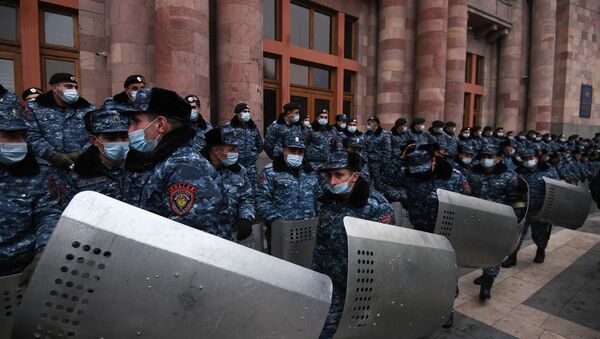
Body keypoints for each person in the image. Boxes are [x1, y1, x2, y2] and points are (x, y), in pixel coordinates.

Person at [123, 87, 231, 238]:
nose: (130, 130)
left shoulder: (185, 169)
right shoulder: (162, 161)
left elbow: (187, 242)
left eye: (135, 122)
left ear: (160, 125)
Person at [312, 151, 394, 339]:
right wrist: (317, 277)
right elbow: (321, 244)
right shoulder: (328, 201)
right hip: (331, 285)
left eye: (338, 175)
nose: (332, 182)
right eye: (329, 175)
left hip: (361, 290)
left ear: (355, 175)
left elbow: (387, 256)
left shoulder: (377, 206)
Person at [0, 87, 62, 279]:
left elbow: (48, 214)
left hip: (24, 273)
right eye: (10, 136)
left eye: (22, 135)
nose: (20, 143)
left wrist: (44, 252)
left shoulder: (39, 171)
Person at [467, 145, 519, 300]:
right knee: (479, 250)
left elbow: (516, 200)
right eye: (483, 156)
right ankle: (485, 274)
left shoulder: (509, 176)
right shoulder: (473, 174)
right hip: (476, 218)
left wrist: (513, 221)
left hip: (498, 220)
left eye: (490, 156)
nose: (486, 159)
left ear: (498, 159)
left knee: (492, 250)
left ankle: (487, 284)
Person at [255, 134, 321, 252]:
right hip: (281, 231)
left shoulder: (310, 172)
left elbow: (319, 197)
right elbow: (261, 198)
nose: (296, 154)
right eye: (292, 150)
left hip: (307, 230)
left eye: (300, 151)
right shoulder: (271, 171)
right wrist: (276, 219)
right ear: (284, 150)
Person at [24, 73, 96, 170]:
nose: (73, 91)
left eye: (75, 87)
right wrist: (54, 156)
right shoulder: (35, 107)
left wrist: (81, 154)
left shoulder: (87, 108)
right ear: (54, 88)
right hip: (46, 168)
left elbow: (96, 135)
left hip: (81, 166)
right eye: (68, 86)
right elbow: (31, 136)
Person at [502, 148, 559, 267]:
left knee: (540, 234)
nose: (528, 161)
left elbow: (557, 189)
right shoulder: (517, 172)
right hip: (521, 209)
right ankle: (512, 257)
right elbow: (511, 188)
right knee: (517, 235)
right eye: (525, 159)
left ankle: (540, 251)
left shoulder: (548, 171)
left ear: (537, 158)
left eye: (530, 158)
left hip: (540, 209)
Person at [65, 109, 130, 201]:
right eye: (111, 139)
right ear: (94, 140)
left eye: (124, 137)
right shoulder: (79, 175)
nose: (119, 143)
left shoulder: (142, 169)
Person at [202, 127, 255, 241]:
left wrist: (246, 218)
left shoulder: (239, 171)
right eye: (232, 149)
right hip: (204, 237)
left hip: (231, 236)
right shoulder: (197, 170)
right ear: (216, 150)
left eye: (237, 148)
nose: (236, 152)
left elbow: (246, 198)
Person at [220, 103, 264, 186]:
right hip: (234, 167)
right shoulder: (228, 128)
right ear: (237, 113)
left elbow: (260, 145)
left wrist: (252, 154)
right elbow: (221, 146)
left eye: (248, 111)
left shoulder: (253, 128)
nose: (247, 113)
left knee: (252, 192)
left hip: (251, 168)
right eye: (244, 111)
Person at [364, 115, 391, 185]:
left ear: (375, 124)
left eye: (369, 123)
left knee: (378, 183)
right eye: (368, 123)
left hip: (378, 164)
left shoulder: (384, 135)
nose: (368, 125)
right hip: (368, 163)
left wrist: (383, 166)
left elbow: (387, 151)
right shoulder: (367, 134)